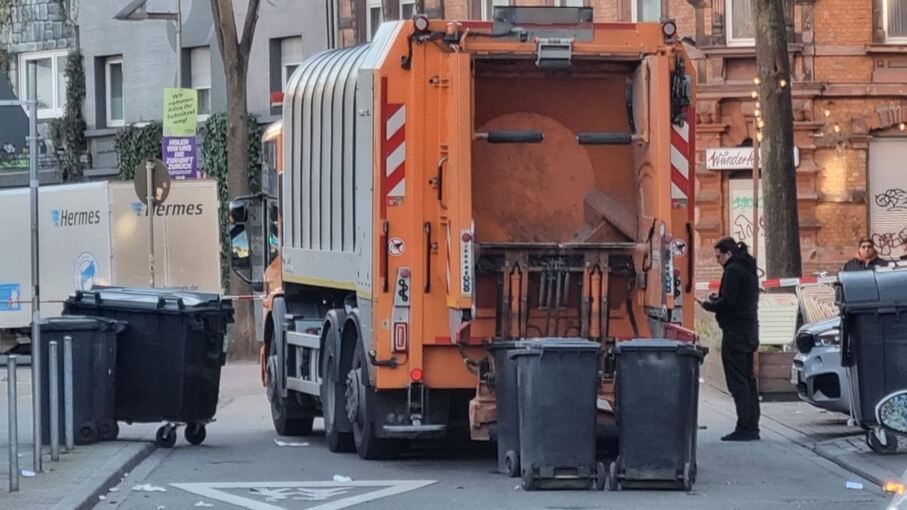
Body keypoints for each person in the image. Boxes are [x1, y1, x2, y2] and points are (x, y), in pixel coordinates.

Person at [698, 237, 761, 441]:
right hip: (750, 329)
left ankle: (745, 427)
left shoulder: (733, 271)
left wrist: (710, 304)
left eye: (718, 256)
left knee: (737, 382)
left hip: (735, 331)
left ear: (728, 253)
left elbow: (730, 303)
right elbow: (739, 299)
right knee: (748, 380)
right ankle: (752, 425)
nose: (717, 260)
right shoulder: (748, 269)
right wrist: (720, 300)